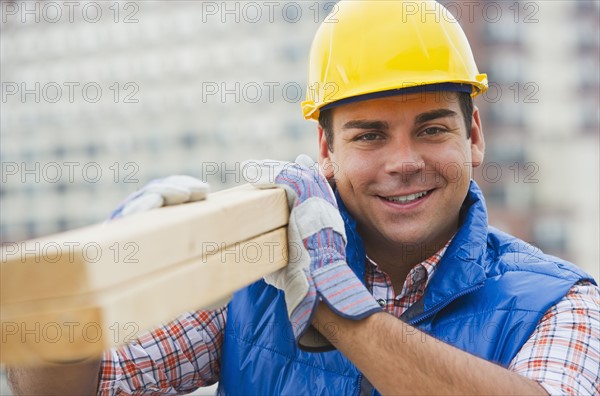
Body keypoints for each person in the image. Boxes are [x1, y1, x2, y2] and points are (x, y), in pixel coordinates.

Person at [8, 1, 599, 395]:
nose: (403, 162)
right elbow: (84, 384)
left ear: (473, 136)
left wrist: (330, 303)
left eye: (432, 128)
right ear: (327, 147)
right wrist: (80, 299)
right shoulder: (255, 278)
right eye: (369, 135)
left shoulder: (560, 302)